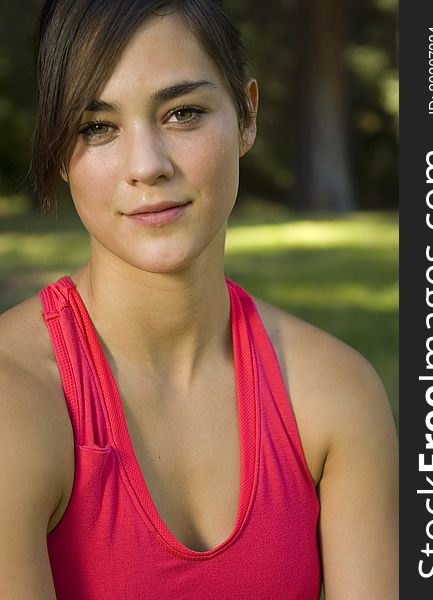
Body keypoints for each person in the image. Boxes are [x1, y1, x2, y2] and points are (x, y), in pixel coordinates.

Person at [0, 0, 398, 598]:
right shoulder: (16, 403)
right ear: (60, 150)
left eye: (183, 113)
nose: (147, 166)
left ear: (246, 116)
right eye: (97, 127)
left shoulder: (338, 395)